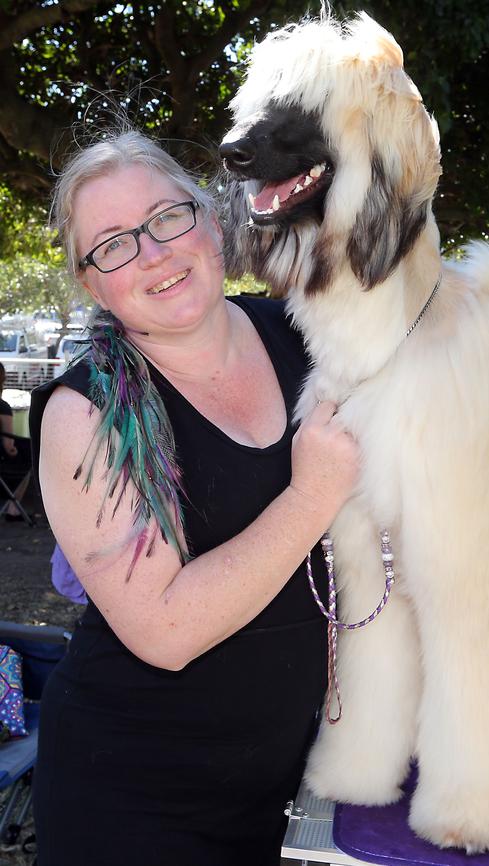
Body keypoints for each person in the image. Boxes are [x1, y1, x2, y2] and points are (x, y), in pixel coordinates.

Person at [29, 129, 359, 866]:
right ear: (91, 283)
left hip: (284, 781)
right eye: (112, 243)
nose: (152, 254)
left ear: (211, 218)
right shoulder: (86, 416)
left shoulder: (306, 335)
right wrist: (312, 496)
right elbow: (165, 630)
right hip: (134, 804)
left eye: (166, 218)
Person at [0, 361, 32, 521]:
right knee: (30, 459)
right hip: (2, 462)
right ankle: (13, 509)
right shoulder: (3, 407)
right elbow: (8, 446)